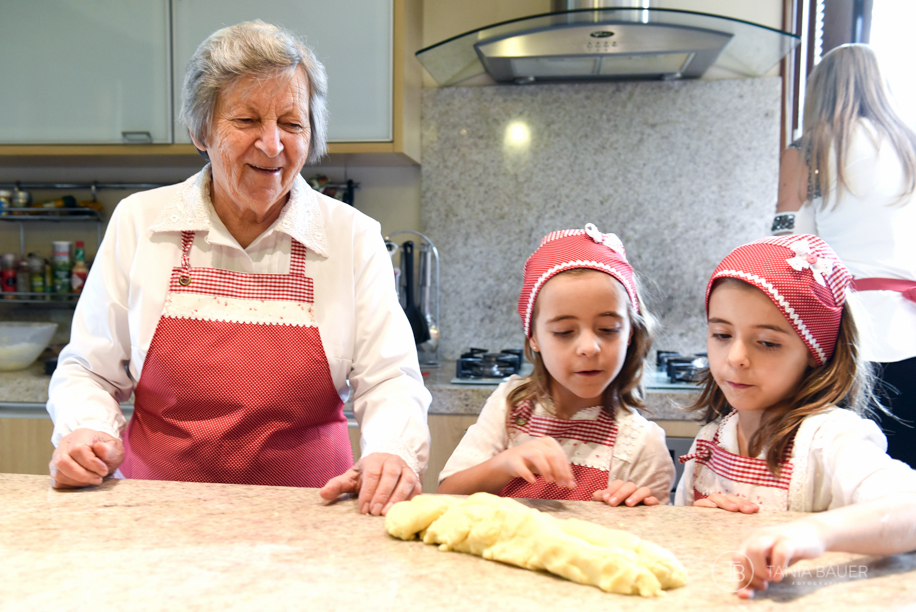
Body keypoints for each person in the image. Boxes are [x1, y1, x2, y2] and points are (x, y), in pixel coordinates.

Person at [45, 21, 430, 516]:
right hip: (154, 518)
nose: (272, 145)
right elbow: (88, 370)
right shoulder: (141, 223)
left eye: (292, 124)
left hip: (309, 517)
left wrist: (392, 451)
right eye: (247, 120)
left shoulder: (351, 237)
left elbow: (389, 379)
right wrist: (87, 430)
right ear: (200, 131)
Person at [675, 235, 916, 598]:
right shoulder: (709, 442)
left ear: (814, 354)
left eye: (768, 342)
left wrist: (808, 533)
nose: (736, 357)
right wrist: (706, 526)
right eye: (722, 334)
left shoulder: (831, 438)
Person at [438, 224, 674, 505]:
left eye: (608, 329)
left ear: (630, 334)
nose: (589, 347)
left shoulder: (642, 444)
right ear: (534, 337)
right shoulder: (509, 407)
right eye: (564, 332)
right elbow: (444, 497)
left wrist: (636, 511)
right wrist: (504, 464)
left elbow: (653, 540)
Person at [773, 43, 916, 468]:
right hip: (911, 328)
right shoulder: (910, 147)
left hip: (849, 334)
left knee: (851, 464)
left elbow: (789, 246)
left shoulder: (806, 151)